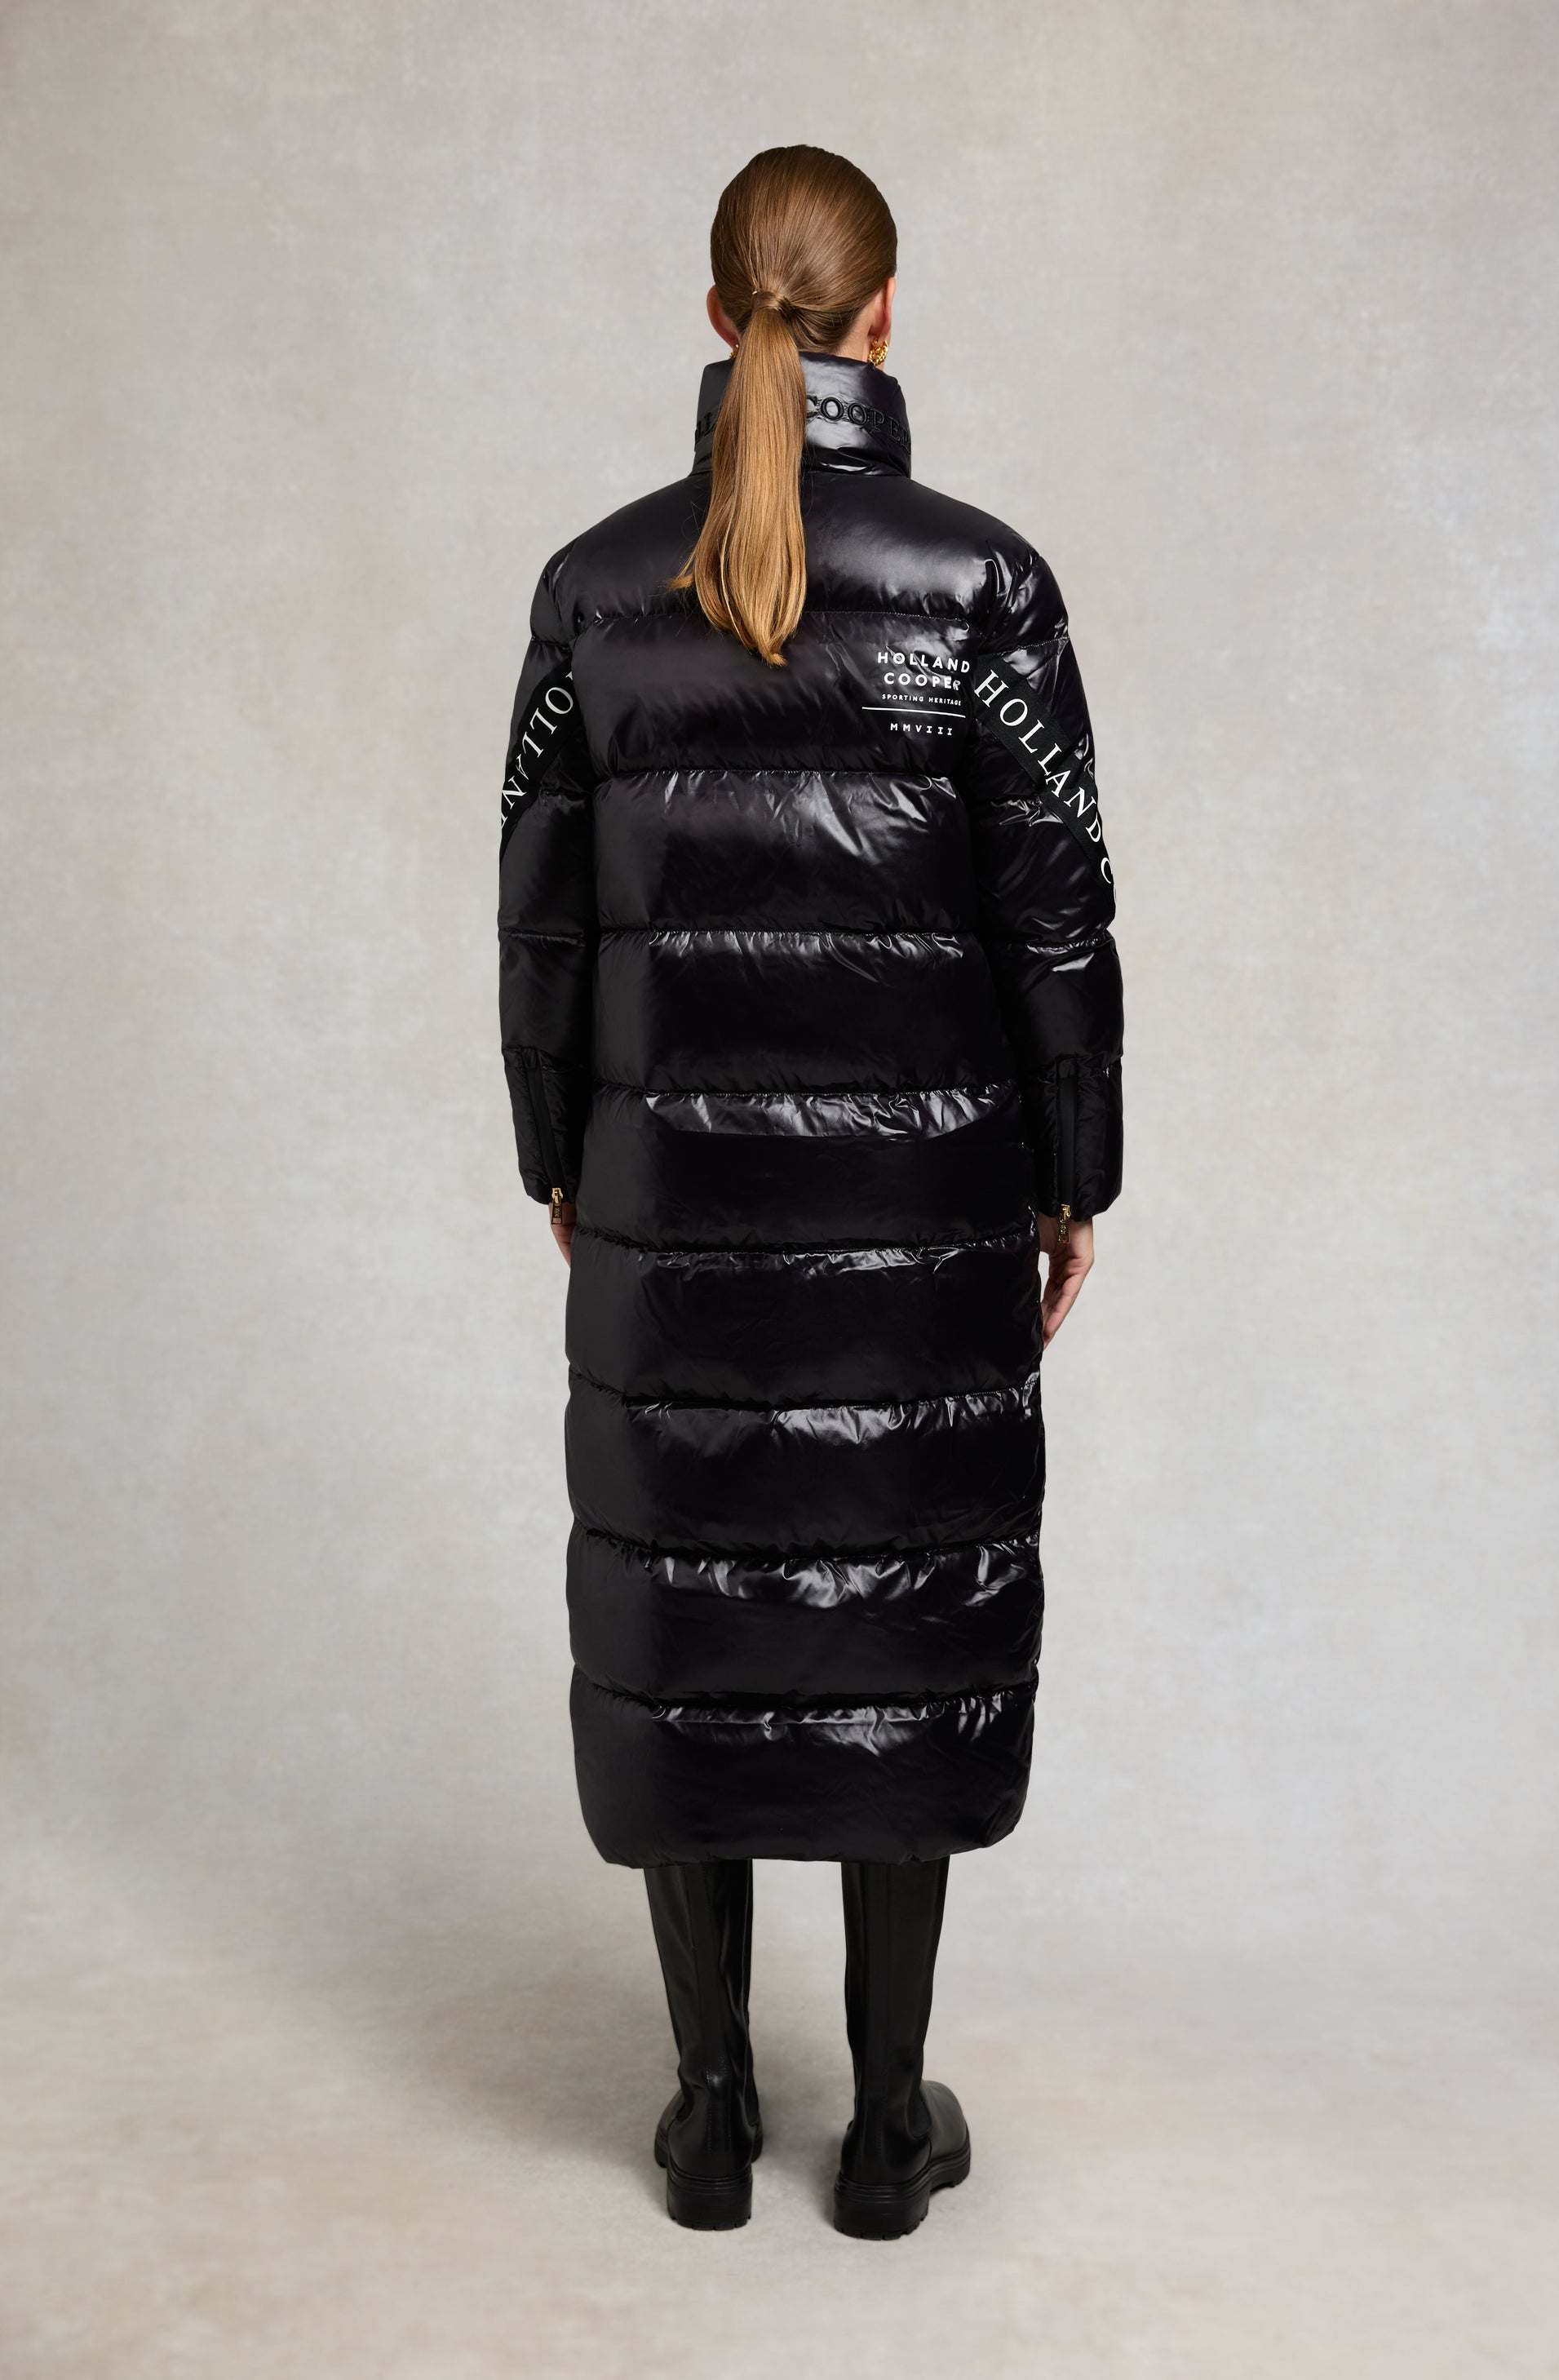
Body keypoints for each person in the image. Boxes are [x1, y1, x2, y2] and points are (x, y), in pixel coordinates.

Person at [498, 144, 1123, 2238]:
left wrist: (558, 1158)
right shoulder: (980, 585)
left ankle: (704, 2118)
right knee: (893, 1618)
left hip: (659, 1205)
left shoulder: (592, 592)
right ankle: (881, 2124)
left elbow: (538, 918)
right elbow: (1056, 915)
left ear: (718, 318)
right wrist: (1070, 1179)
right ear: (883, 314)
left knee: (686, 1616)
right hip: (923, 1219)